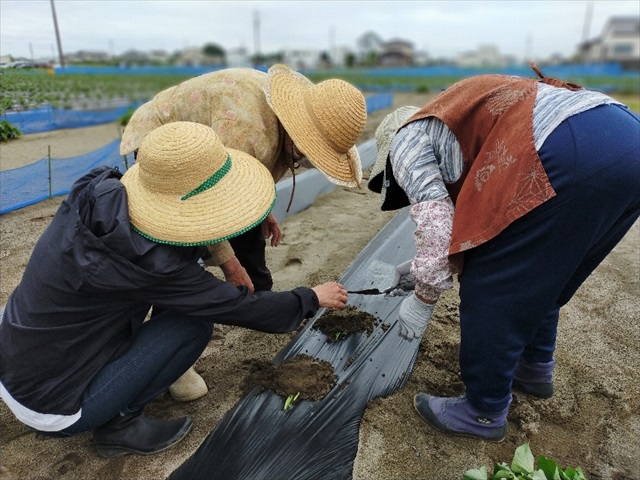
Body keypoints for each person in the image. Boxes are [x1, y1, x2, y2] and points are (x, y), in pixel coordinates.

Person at [0, 121, 349, 458]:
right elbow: (238, 306)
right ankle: (119, 424)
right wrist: (310, 297)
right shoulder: (153, 264)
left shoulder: (97, 191)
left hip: (17, 362)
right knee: (193, 324)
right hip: (54, 407)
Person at [368, 64, 640, 442]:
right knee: (545, 274)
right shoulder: (449, 120)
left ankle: (483, 410)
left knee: (493, 284)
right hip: (624, 138)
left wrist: (423, 297)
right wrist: (420, 267)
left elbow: (436, 226)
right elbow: (456, 223)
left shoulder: (406, 144)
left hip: (567, 149)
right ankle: (534, 369)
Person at [120, 65, 366, 401]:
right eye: (310, 153)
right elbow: (201, 204)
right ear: (298, 132)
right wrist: (228, 262)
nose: (309, 161)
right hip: (169, 154)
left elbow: (243, 183)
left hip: (217, 164)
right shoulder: (246, 131)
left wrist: (262, 211)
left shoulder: (294, 117)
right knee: (178, 251)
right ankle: (169, 357)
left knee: (249, 232)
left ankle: (259, 299)